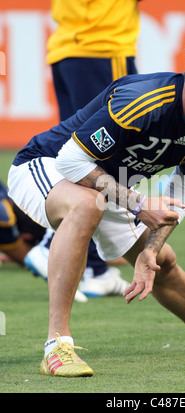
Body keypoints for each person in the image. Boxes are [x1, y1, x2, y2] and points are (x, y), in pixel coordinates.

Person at [7, 25, 185, 378]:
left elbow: (182, 194)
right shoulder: (143, 100)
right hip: (45, 165)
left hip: (104, 187)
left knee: (162, 263)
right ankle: (57, 345)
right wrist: (139, 204)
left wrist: (150, 252)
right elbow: (69, 161)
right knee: (84, 205)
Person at [24, 0, 143, 296]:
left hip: (70, 44)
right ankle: (52, 244)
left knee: (81, 150)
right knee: (107, 155)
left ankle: (93, 267)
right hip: (102, 41)